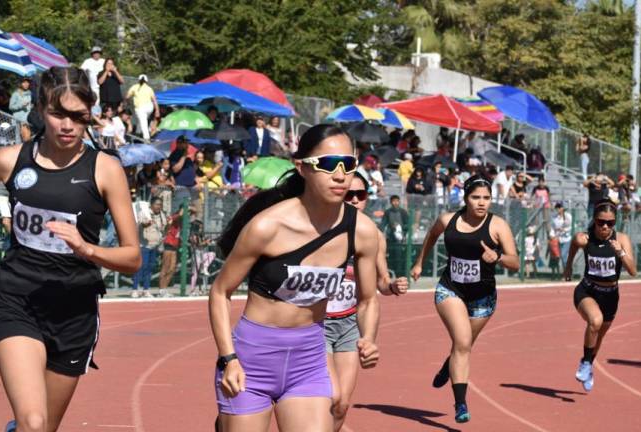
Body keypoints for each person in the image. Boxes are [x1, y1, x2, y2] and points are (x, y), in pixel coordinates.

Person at [0, 67, 140, 431]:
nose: (67, 125)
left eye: (78, 117)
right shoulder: (10, 159)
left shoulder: (106, 170)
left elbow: (132, 257)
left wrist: (88, 249)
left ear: (90, 116)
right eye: (58, 114)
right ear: (40, 109)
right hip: (17, 299)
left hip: (74, 311)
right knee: (33, 422)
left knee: (43, 427)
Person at [209, 124, 380, 432]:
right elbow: (221, 292)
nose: (340, 175)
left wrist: (368, 336)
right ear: (302, 167)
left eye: (349, 164)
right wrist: (228, 358)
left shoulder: (363, 231)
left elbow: (367, 299)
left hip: (309, 360)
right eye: (328, 164)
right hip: (252, 361)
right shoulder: (267, 227)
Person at [411, 175, 519, 424]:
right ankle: (461, 403)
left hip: (483, 299)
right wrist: (419, 263)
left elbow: (515, 261)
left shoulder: (498, 226)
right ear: (465, 197)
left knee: (463, 346)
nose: (482, 203)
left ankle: (448, 366)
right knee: (462, 342)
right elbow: (431, 235)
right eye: (476, 197)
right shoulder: (448, 220)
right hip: (451, 290)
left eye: (486, 198)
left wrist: (499, 257)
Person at [326, 173, 408, 431]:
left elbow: (381, 282)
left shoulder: (374, 236)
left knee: (342, 405)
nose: (353, 200)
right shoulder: (320, 230)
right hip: (317, 324)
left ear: (366, 200)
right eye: (348, 194)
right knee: (331, 396)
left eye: (359, 195)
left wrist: (392, 286)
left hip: (349, 324)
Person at [563, 199, 637, 392]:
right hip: (588, 290)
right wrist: (569, 265)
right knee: (595, 321)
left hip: (610, 295)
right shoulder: (585, 238)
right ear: (594, 220)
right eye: (601, 222)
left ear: (615, 223)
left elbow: (632, 271)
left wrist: (620, 252)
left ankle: (588, 364)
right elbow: (574, 243)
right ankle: (586, 363)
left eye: (610, 223)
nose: (605, 226)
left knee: (599, 337)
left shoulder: (621, 239)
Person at [132, 196, 167, 298]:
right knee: (141, 267)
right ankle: (135, 289)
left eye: (160, 205)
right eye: (157, 204)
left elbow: (163, 228)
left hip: (155, 245)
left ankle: (146, 289)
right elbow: (142, 224)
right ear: (151, 205)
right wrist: (146, 224)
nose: (159, 207)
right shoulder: (145, 213)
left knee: (150, 268)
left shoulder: (161, 215)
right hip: (144, 245)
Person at [125, 74, 159, 141]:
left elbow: (127, 97)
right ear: (146, 81)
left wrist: (128, 102)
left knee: (143, 122)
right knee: (142, 119)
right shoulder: (149, 88)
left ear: (138, 80)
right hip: (150, 107)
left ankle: (146, 139)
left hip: (140, 107)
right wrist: (157, 110)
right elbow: (154, 100)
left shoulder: (134, 87)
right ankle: (138, 132)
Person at [552, 202, 573, 268]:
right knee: (563, 256)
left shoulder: (568, 216)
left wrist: (564, 230)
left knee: (563, 255)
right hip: (558, 239)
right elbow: (553, 228)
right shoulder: (554, 218)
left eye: (560, 207)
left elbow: (571, 227)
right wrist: (553, 235)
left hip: (567, 239)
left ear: (563, 208)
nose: (558, 209)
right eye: (557, 208)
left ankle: (566, 272)